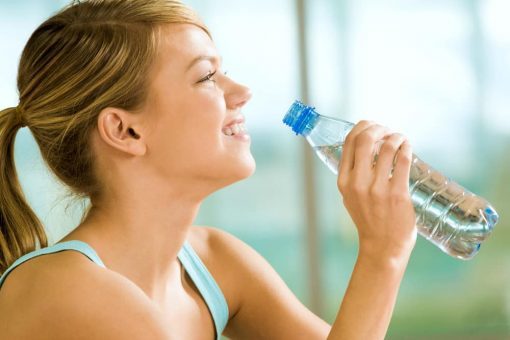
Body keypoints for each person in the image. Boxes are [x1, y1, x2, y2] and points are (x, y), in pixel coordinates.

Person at [0, 0, 417, 339]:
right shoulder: (71, 292)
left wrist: (387, 250)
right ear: (125, 130)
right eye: (206, 77)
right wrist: (383, 255)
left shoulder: (215, 263)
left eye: (225, 72)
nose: (242, 92)